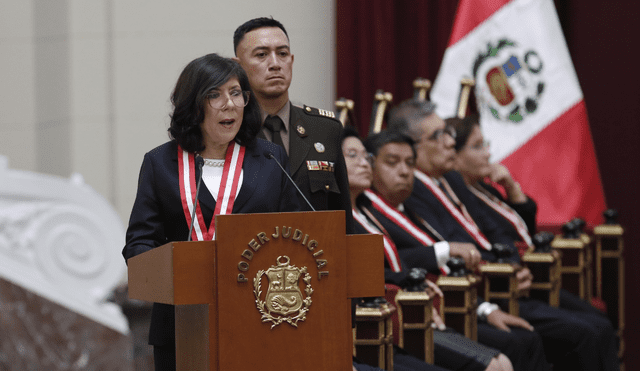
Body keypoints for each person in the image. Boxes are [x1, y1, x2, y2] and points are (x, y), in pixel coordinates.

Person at [388, 99, 617, 371]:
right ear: (413, 144)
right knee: (574, 334)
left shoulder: (451, 180)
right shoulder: (412, 190)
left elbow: (491, 229)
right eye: (439, 135)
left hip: (500, 281)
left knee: (596, 323)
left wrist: (511, 265)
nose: (449, 142)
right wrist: (496, 280)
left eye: (449, 134)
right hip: (475, 291)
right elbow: (438, 251)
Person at [122, 53, 301, 371]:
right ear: (193, 104)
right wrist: (170, 275)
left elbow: (296, 234)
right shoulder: (160, 163)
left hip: (261, 317)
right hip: (181, 321)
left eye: (236, 92)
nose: (229, 104)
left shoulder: (271, 160)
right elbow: (139, 242)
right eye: (214, 94)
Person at [359, 129, 548, 371]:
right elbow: (390, 267)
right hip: (404, 316)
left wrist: (486, 305)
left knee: (520, 344)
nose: (405, 172)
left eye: (409, 163)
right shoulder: (368, 210)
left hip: (448, 302)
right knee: (508, 352)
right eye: (392, 163)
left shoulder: (409, 206)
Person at [448, 114, 620, 371]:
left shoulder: (485, 189)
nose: (487, 153)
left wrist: (512, 188)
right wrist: (515, 266)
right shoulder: (460, 196)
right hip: (503, 287)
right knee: (587, 333)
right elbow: (497, 241)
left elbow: (523, 230)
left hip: (526, 280)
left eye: (486, 144)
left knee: (600, 322)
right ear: (455, 156)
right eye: (477, 146)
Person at [233, 17, 353, 233]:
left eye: (282, 53)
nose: (275, 64)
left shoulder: (324, 129)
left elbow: (343, 217)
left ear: (292, 60)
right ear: (238, 66)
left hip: (319, 258)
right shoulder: (231, 130)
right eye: (261, 55)